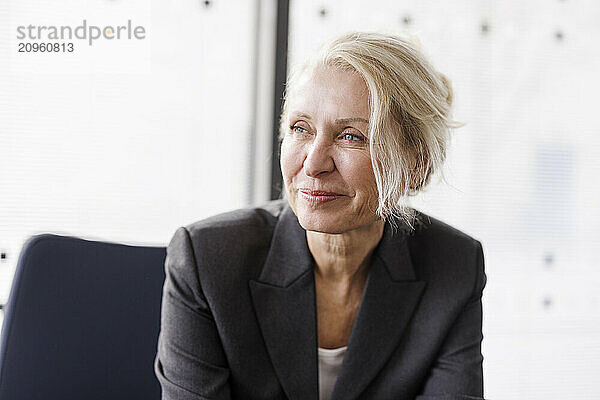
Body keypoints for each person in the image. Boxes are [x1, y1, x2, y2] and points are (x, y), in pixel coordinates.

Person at [154, 31, 487, 400]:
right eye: (300, 129)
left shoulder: (455, 266)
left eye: (352, 137)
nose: (313, 163)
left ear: (415, 166)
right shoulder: (207, 260)